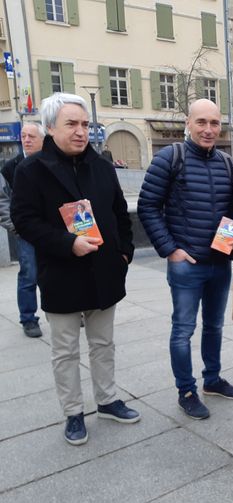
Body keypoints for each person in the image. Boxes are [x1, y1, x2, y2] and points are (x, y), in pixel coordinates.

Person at [10, 92, 139, 445]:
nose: (81, 131)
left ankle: (108, 399)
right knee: (65, 351)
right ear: (51, 128)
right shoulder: (32, 170)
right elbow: (24, 220)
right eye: (72, 124)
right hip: (62, 273)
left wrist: (124, 254)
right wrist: (68, 244)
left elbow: (119, 214)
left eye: (84, 124)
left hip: (104, 272)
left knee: (103, 344)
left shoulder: (101, 166)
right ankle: (73, 413)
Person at [138, 99, 233, 420]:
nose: (209, 129)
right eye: (202, 122)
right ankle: (186, 389)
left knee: (213, 326)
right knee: (183, 329)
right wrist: (171, 250)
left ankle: (212, 379)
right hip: (186, 263)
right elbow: (147, 206)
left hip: (219, 262)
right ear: (188, 122)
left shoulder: (227, 163)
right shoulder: (169, 158)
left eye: (214, 123)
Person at [0, 122, 45, 338]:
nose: (26, 140)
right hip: (27, 231)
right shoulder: (11, 168)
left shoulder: (53, 162)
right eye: (24, 136)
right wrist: (16, 227)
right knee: (29, 274)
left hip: (53, 231)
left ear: (43, 139)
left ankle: (70, 310)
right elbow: (3, 201)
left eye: (31, 136)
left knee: (60, 271)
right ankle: (28, 319)